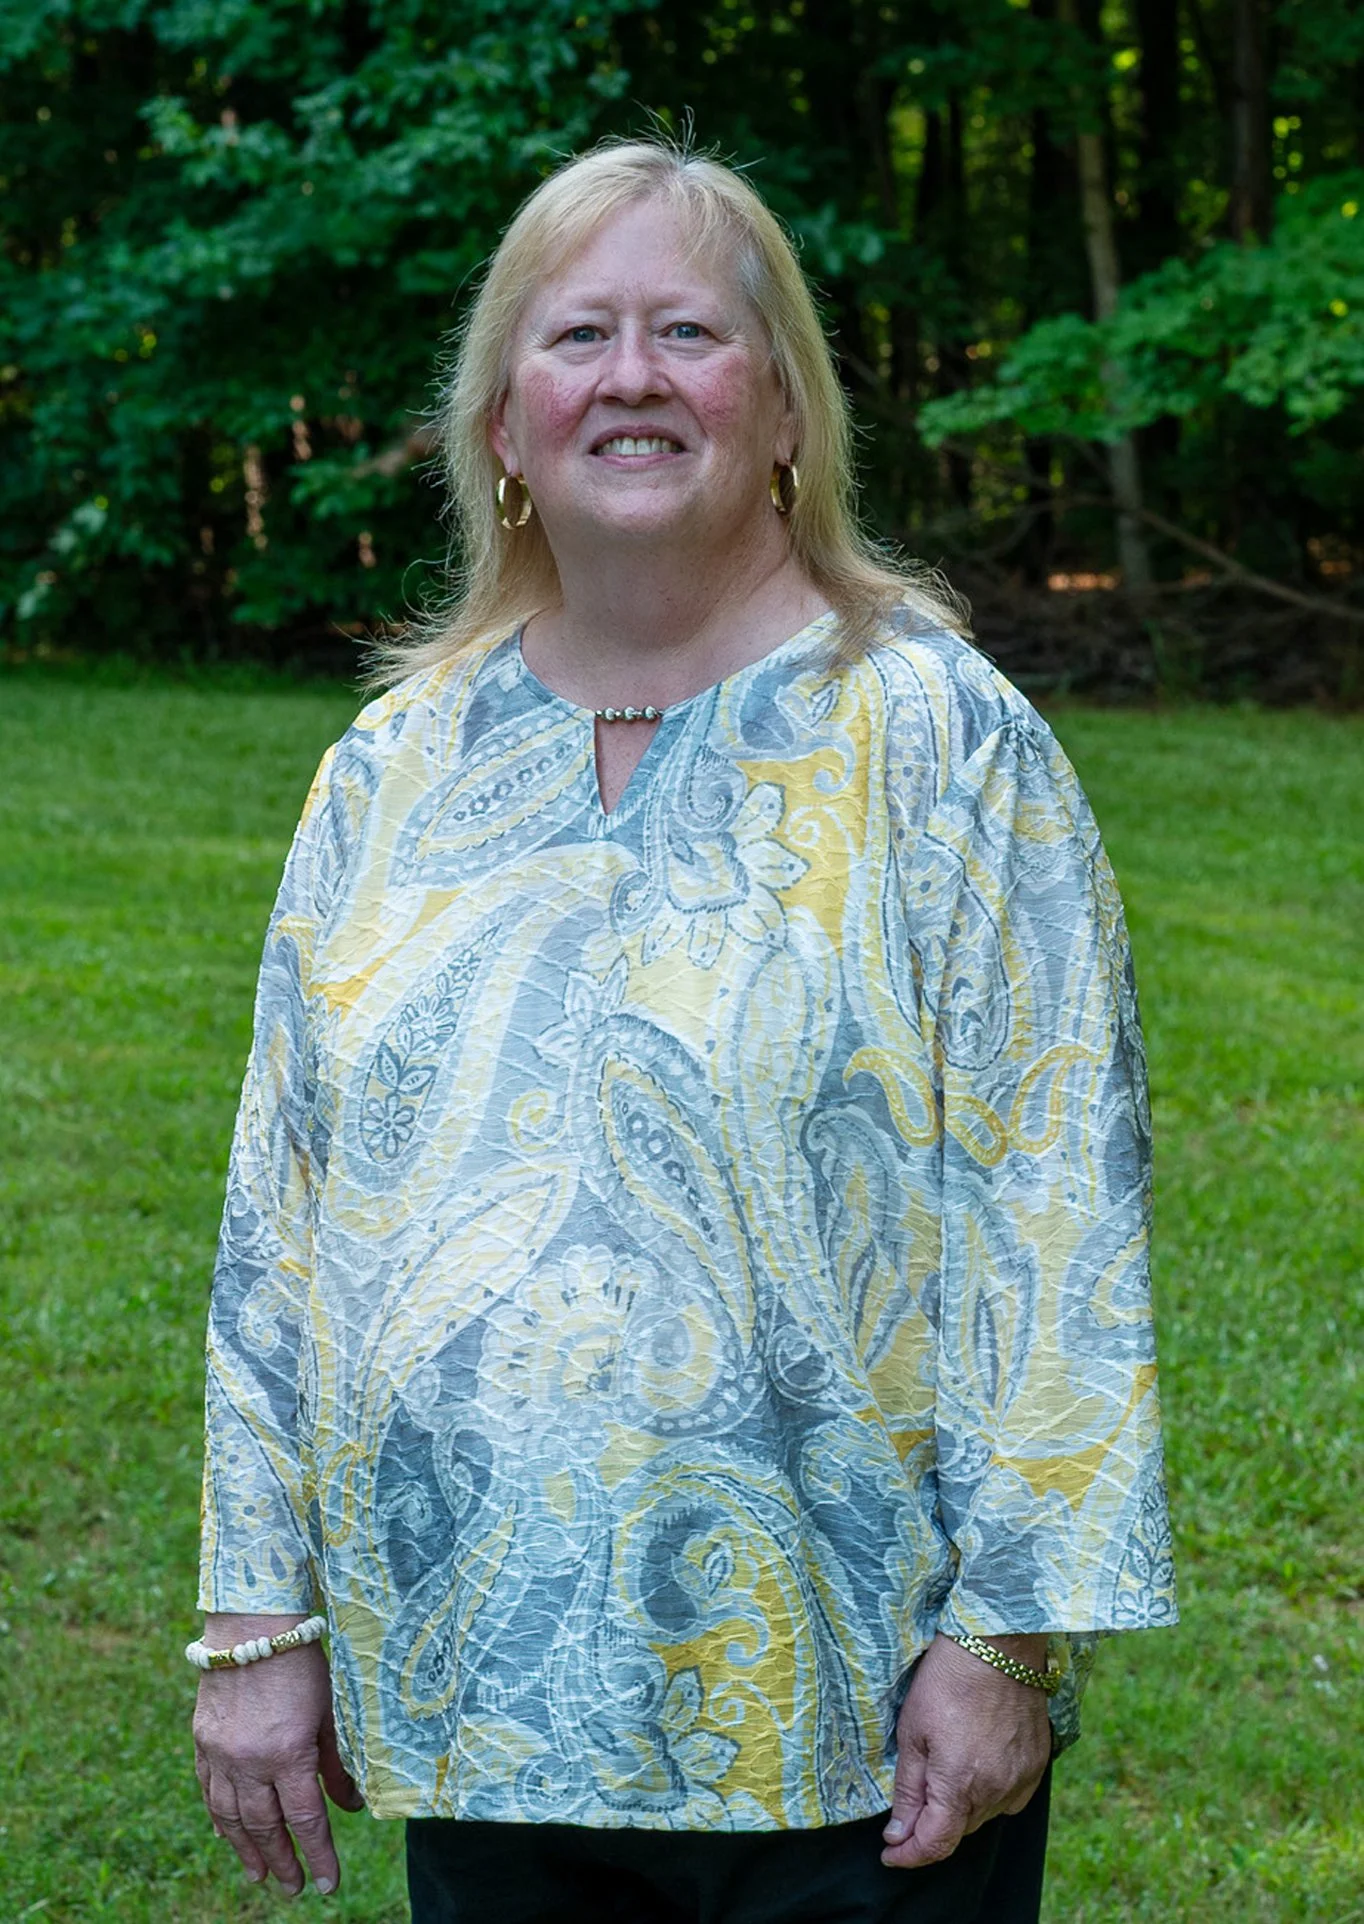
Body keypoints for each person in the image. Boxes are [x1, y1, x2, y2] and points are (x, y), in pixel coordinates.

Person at [190, 138, 1176, 1924]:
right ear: (501, 425)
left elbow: (1059, 1216)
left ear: (786, 408)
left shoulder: (948, 748)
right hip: (478, 1705)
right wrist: (257, 1613)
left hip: (858, 1746)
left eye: (688, 334)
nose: (630, 377)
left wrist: (1012, 1643)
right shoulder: (390, 773)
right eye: (575, 337)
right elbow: (286, 1218)